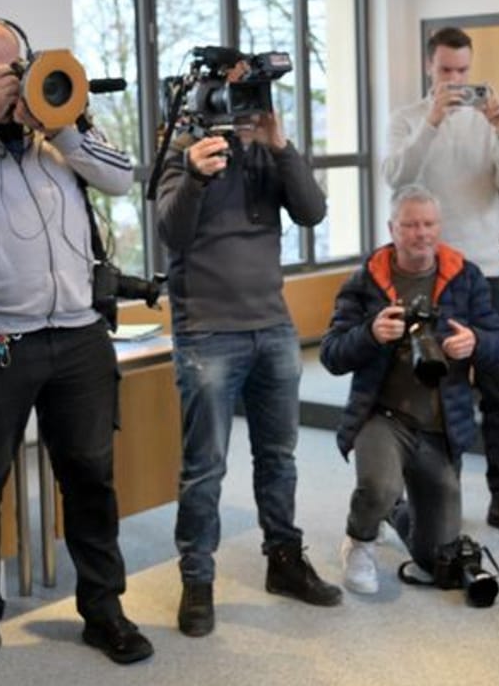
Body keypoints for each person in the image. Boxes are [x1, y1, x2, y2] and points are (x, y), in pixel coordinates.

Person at [0, 17, 152, 677]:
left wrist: (62, 127)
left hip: (77, 335)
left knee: (92, 481)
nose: (8, 79)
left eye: (13, 65)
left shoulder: (57, 105)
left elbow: (121, 178)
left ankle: (105, 610)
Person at [157, 59, 341, 638]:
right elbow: (170, 232)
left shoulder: (266, 152)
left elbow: (312, 210)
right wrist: (195, 174)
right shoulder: (184, 150)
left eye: (252, 100)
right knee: (205, 467)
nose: (241, 114)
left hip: (273, 327)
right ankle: (197, 578)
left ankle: (283, 561)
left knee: (279, 457)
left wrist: (281, 146)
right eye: (233, 100)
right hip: (207, 331)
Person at [381, 27, 499, 540]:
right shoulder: (407, 119)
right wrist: (431, 123)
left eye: (462, 71)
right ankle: (436, 494)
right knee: (432, 392)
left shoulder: (487, 120)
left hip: (483, 271)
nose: (455, 80)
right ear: (430, 67)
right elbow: (395, 176)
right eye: (446, 71)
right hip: (429, 274)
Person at [321, 186, 499, 594]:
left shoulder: (467, 276)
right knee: (380, 487)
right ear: (393, 228)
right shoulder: (365, 281)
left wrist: (476, 342)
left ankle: (393, 513)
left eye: (428, 224)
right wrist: (369, 334)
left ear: (439, 227)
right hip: (382, 415)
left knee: (435, 556)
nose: (420, 234)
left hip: (439, 426)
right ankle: (359, 540)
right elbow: (331, 355)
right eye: (409, 225)